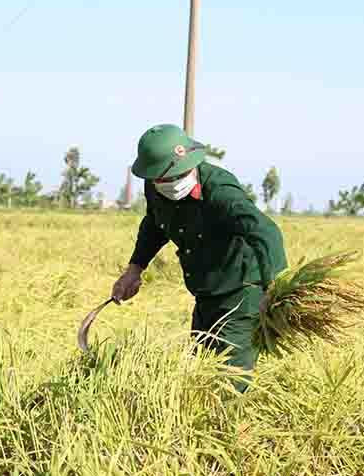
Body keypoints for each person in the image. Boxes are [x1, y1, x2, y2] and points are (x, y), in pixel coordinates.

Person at [111, 124, 288, 393]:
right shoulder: (154, 189)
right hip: (205, 294)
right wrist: (134, 269)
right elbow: (154, 225)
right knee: (200, 375)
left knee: (229, 383)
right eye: (166, 177)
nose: (175, 180)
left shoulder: (220, 190)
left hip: (242, 293)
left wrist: (276, 290)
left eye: (182, 172)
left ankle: (232, 431)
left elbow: (264, 231)